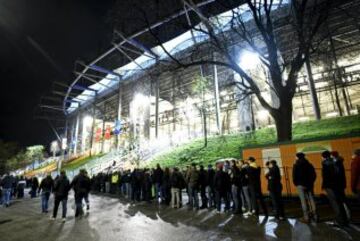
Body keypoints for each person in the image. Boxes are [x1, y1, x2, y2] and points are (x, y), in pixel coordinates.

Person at [322, 151, 349, 226]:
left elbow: (326, 176)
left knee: (335, 203)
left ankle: (339, 220)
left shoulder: (327, 163)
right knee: (340, 202)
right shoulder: (337, 162)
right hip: (338, 185)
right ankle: (344, 219)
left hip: (331, 186)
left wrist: (325, 186)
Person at [293, 152, 318, 223]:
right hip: (309, 184)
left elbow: (294, 176)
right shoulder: (309, 164)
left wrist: (296, 184)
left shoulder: (296, 165)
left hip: (300, 185)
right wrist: (311, 182)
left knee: (303, 201)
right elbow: (314, 175)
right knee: (311, 199)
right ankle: (315, 216)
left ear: (297, 157)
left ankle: (306, 217)